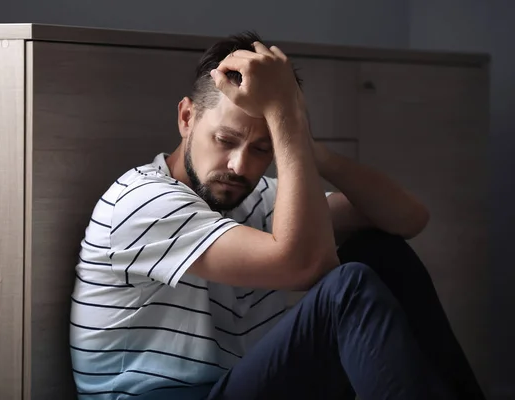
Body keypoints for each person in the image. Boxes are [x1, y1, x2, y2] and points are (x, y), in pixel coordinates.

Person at [70, 31, 486, 400]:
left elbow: (407, 219)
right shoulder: (144, 200)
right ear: (186, 118)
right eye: (226, 139)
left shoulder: (255, 199)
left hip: (233, 386)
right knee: (348, 288)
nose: (238, 166)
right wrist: (282, 113)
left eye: (262, 149)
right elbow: (306, 266)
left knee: (382, 251)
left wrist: (303, 141)